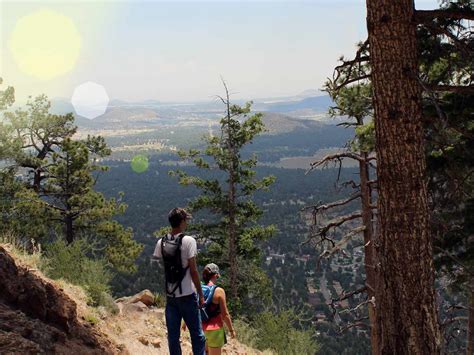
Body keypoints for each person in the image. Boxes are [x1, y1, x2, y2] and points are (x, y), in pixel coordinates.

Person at [153, 207, 206, 355]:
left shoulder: (161, 242)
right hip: (188, 295)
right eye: (186, 220)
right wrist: (201, 295)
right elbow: (194, 271)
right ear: (182, 221)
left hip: (171, 296)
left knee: (173, 337)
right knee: (197, 335)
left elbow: (161, 263)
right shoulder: (189, 241)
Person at [201, 263, 236, 355]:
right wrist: (231, 330)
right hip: (215, 330)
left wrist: (184, 324)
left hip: (200, 328)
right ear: (216, 275)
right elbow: (225, 315)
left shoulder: (198, 288)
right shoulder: (219, 291)